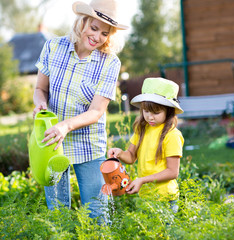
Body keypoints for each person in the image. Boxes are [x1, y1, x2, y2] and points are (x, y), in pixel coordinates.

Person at [32, 0, 128, 222]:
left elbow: (96, 112)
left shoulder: (110, 63)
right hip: (53, 143)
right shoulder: (53, 47)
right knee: (58, 215)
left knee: (97, 214)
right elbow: (40, 89)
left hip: (88, 144)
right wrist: (40, 104)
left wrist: (65, 126)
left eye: (105, 33)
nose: (97, 37)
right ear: (81, 23)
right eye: (94, 28)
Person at [107, 77, 184, 213]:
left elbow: (173, 172)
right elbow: (131, 157)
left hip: (165, 198)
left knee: (164, 233)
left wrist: (142, 180)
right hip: (146, 196)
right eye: (146, 111)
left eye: (156, 112)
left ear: (169, 111)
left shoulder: (172, 135)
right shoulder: (142, 129)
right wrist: (120, 153)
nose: (150, 117)